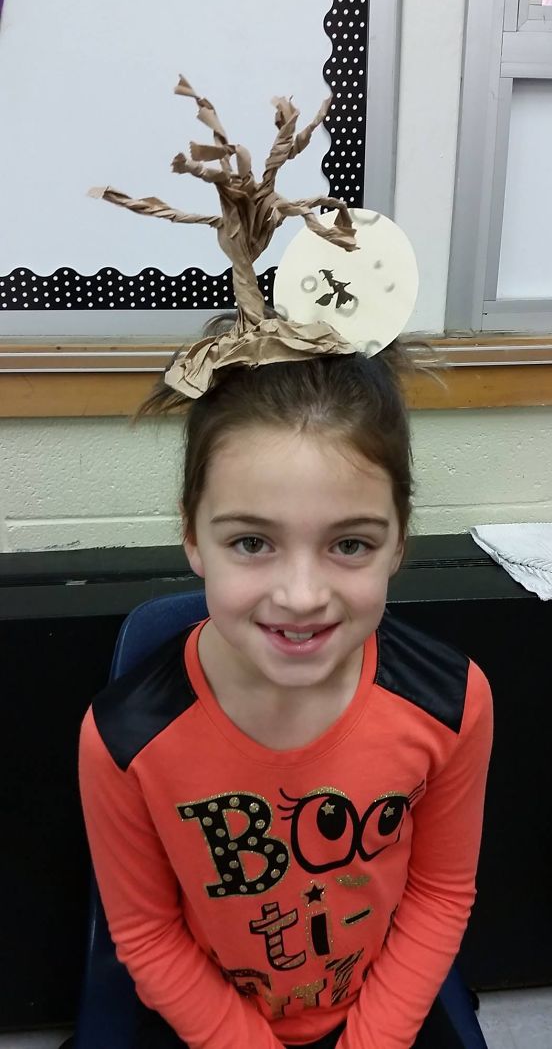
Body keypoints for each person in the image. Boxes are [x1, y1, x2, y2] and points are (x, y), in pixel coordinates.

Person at [79, 78, 493, 1049]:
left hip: (376, 1018)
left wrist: (371, 1039)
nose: (301, 594)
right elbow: (139, 930)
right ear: (192, 538)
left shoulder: (449, 702)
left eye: (347, 543)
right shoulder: (125, 736)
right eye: (250, 541)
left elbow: (439, 889)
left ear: (398, 539)